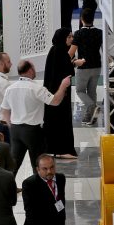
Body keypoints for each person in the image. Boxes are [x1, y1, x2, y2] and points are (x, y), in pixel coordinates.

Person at [0, 60, 71, 175]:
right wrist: (63, 85)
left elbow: (5, 110)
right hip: (33, 131)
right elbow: (55, 101)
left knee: (14, 164)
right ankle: (38, 189)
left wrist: (11, 125)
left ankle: (6, 189)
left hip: (16, 130)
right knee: (38, 163)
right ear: (30, 70)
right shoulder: (36, 88)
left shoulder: (10, 88)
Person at [43, 29, 78, 159]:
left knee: (57, 121)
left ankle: (56, 149)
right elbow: (65, 71)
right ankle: (62, 150)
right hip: (58, 93)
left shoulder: (57, 51)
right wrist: (74, 63)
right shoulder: (59, 52)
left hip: (56, 93)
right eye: (69, 37)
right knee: (61, 121)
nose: (71, 39)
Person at [70, 9, 103, 125]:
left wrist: (72, 61)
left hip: (83, 66)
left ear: (81, 19)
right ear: (93, 19)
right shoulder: (100, 32)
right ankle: (90, 117)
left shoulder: (78, 34)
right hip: (97, 65)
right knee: (92, 91)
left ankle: (92, 106)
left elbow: (71, 52)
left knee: (79, 90)